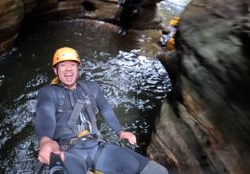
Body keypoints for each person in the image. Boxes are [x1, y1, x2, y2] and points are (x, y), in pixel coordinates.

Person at [35, 47, 168, 174]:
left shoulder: (92, 88)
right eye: (62, 65)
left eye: (72, 65)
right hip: (69, 151)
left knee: (157, 171)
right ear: (55, 70)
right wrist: (45, 140)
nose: (68, 69)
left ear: (78, 67)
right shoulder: (47, 92)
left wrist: (120, 132)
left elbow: (106, 109)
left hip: (97, 146)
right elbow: (45, 116)